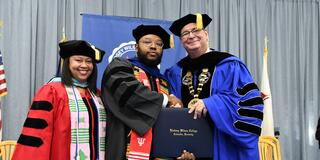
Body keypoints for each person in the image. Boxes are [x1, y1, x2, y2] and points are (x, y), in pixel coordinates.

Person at [165, 13, 264, 160]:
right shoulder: (176, 72)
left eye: (196, 30)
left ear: (206, 34)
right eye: (185, 33)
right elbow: (171, 113)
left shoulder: (230, 65)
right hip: (190, 149)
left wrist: (211, 103)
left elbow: (249, 104)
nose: (191, 36)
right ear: (181, 41)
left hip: (225, 146)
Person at [101, 24, 194, 160]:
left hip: (159, 151)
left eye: (159, 44)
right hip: (125, 148)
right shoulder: (120, 67)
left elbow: (172, 121)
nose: (153, 46)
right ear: (136, 47)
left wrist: (180, 150)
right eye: (147, 42)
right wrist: (166, 100)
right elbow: (129, 92)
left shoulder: (164, 81)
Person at [12, 40, 106, 160]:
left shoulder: (97, 95)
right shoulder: (52, 92)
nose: (84, 65)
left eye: (89, 61)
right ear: (67, 63)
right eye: (78, 60)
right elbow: (37, 136)